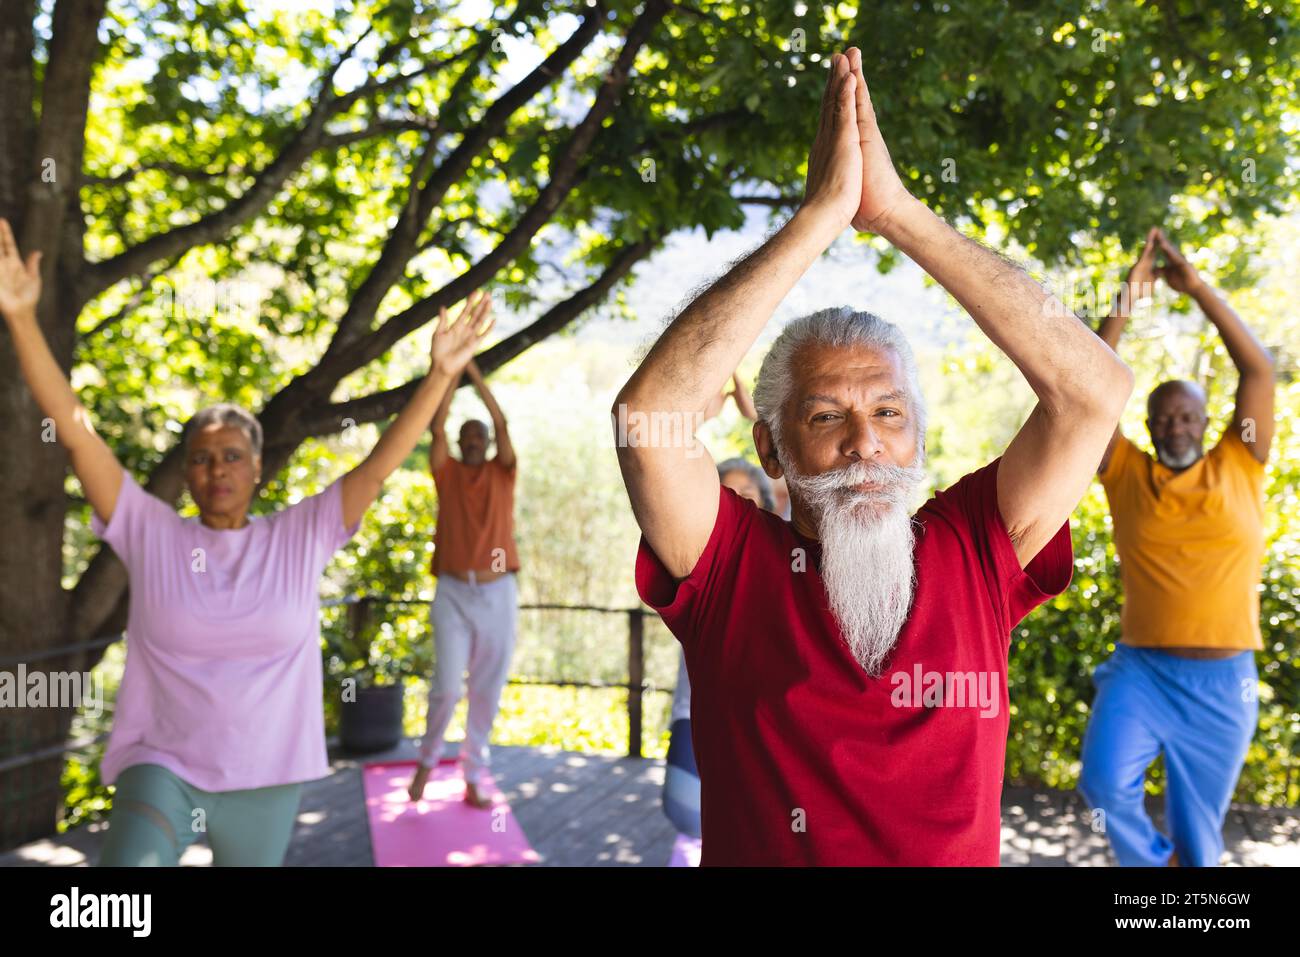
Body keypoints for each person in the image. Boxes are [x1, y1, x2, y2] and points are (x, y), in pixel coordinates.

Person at [613, 49, 1132, 865]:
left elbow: (1095, 391)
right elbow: (649, 419)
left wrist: (895, 213)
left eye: (889, 412)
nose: (865, 442)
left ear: (917, 435)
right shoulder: (731, 569)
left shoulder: (975, 548)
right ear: (772, 447)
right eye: (826, 416)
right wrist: (821, 215)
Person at [0, 215, 495, 865]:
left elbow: (376, 467)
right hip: (163, 766)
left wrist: (439, 375)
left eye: (233, 455)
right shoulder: (149, 530)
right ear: (187, 470)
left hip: (265, 776)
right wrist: (19, 318)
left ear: (257, 467)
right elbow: (74, 427)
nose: (217, 470)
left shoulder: (300, 536)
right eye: (202, 458)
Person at [1078, 228, 1274, 867]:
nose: (1175, 426)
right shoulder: (1128, 474)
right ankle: (1152, 867)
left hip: (1224, 683)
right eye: (1162, 417)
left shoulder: (1240, 460)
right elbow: (1086, 388)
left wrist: (1197, 289)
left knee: (1199, 842)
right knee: (1103, 785)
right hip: (1142, 671)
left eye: (1187, 415)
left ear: (1207, 418)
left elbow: (1258, 368)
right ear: (1147, 425)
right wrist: (1127, 297)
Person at [408, 358, 520, 809]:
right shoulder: (446, 471)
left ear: (489, 443)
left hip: (497, 593)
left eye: (480, 436)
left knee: (487, 688)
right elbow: (435, 428)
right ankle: (427, 761)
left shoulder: (503, 472)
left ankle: (473, 774)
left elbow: (501, 419)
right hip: (453, 593)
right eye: (466, 435)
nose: (473, 440)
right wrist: (451, 374)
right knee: (448, 687)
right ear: (458, 442)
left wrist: (476, 374)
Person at [662, 457, 774, 842]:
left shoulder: (791, 558)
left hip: (769, 721)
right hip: (699, 712)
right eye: (727, 494)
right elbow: (662, 472)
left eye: (749, 494)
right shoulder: (692, 560)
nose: (739, 501)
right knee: (686, 813)